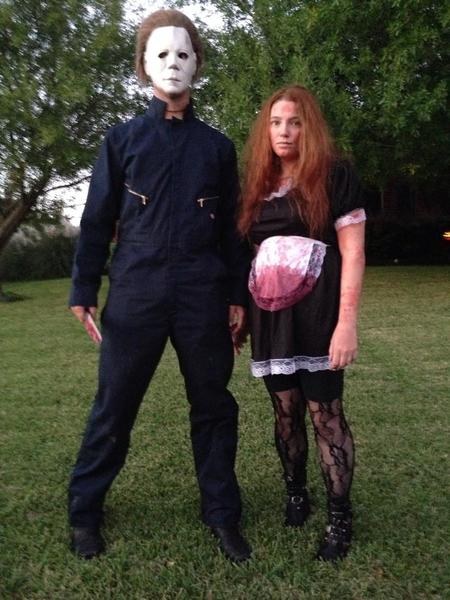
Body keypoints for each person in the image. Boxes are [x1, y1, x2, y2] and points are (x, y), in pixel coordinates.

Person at [68, 9, 251, 563]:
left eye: (184, 54)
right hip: (136, 291)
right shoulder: (122, 140)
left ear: (197, 64)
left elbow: (231, 230)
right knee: (114, 405)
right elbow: (96, 219)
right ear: (144, 65)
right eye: (162, 54)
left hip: (202, 292)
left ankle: (222, 514)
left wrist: (236, 295)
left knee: (213, 406)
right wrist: (83, 289)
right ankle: (84, 511)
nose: (173, 63)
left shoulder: (217, 148)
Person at [239, 84, 366, 561]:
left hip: (319, 314)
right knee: (285, 410)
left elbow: (353, 252)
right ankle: (296, 493)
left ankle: (340, 515)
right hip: (270, 317)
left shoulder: (334, 174)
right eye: (275, 122)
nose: (284, 131)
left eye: (294, 122)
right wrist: (240, 310)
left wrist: (346, 323)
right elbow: (252, 251)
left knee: (324, 413)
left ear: (308, 127)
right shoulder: (258, 182)